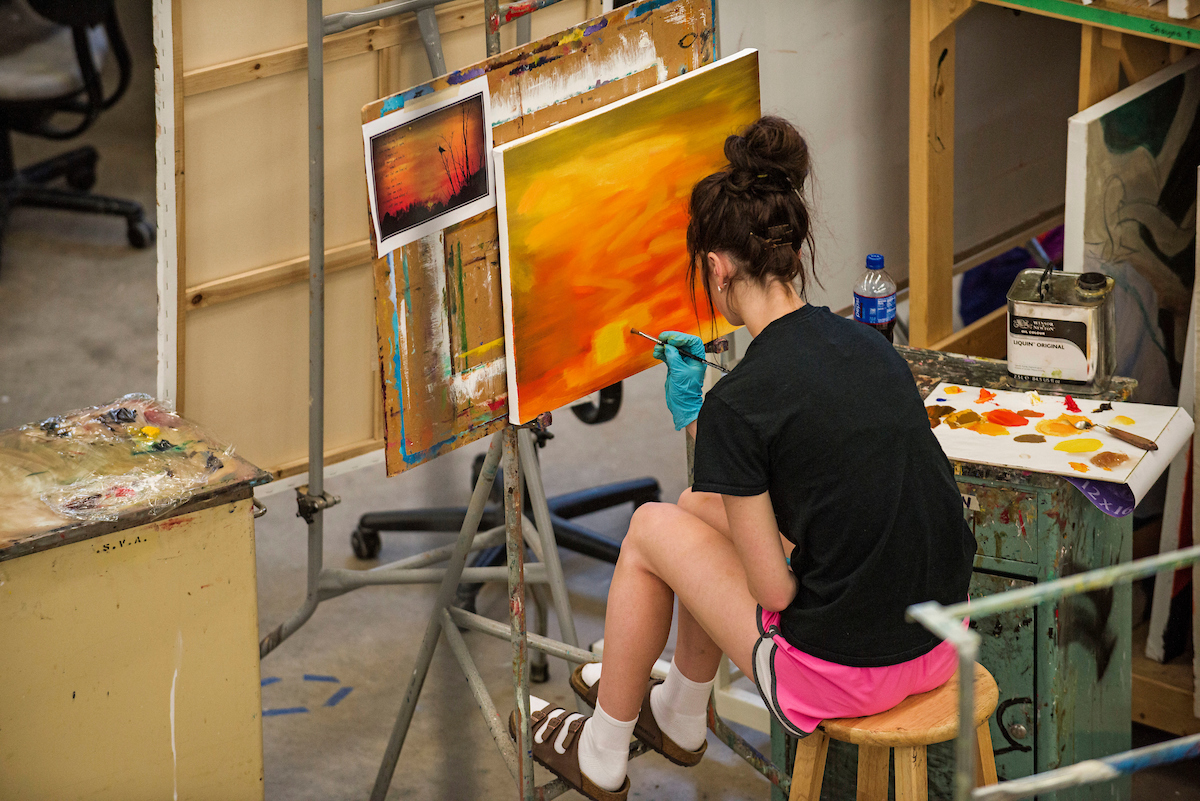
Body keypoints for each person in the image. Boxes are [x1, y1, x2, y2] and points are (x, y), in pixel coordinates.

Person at [510, 116, 976, 801]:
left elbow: (777, 593)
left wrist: (707, 413)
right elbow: (772, 487)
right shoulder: (869, 344)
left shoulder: (743, 401)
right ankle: (679, 712)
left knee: (648, 530)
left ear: (718, 269)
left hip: (845, 672)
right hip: (941, 634)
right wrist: (704, 418)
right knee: (697, 509)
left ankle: (603, 751)